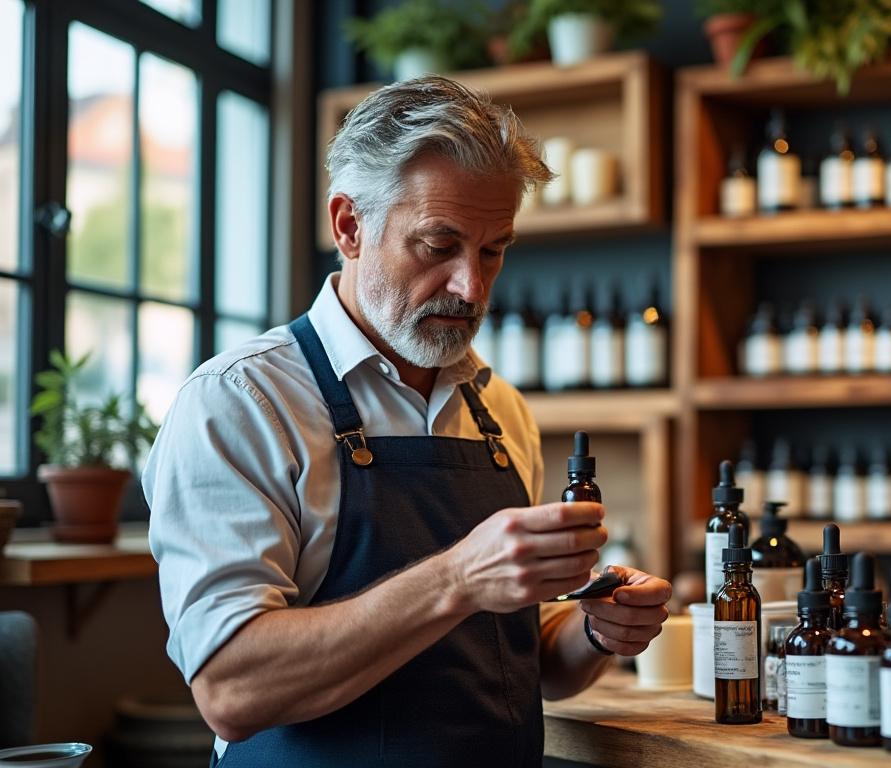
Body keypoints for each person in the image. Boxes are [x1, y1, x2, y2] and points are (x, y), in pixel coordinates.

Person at [143, 77, 672, 767]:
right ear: (349, 226)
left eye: (492, 250)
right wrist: (455, 578)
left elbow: (522, 660)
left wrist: (598, 631)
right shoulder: (243, 402)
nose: (471, 286)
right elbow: (233, 688)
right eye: (437, 244)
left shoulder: (499, 411)